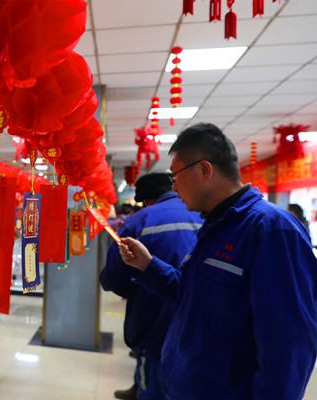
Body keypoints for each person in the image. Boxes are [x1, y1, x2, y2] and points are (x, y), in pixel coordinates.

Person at [118, 123, 317, 400]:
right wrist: (148, 265)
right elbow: (192, 296)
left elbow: (289, 343)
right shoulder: (216, 226)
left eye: (176, 176)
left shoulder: (271, 230)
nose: (173, 187)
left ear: (204, 170)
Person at [100, 173, 202, 400]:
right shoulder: (204, 214)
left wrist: (133, 291)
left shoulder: (139, 221)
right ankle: (138, 385)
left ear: (147, 200)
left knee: (153, 369)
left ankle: (144, 390)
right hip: (199, 311)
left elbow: (114, 277)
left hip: (153, 311)